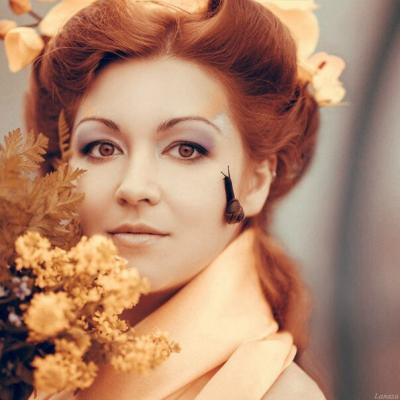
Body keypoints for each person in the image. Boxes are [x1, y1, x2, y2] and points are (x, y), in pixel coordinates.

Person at [24, 0, 330, 398]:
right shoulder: (27, 355)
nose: (134, 187)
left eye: (186, 149)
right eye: (102, 147)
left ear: (256, 181)